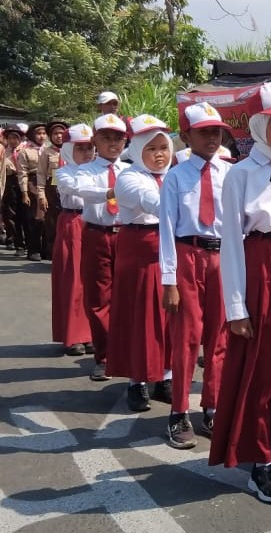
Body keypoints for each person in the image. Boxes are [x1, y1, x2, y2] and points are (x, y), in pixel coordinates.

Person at [211, 82, 271, 503]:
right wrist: (236, 306)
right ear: (257, 125)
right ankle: (261, 461)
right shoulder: (241, 174)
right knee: (261, 370)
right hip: (261, 270)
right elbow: (231, 241)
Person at [159, 101, 231, 450]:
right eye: (204, 132)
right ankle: (178, 411)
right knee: (186, 338)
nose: (212, 138)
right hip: (188, 254)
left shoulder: (231, 173)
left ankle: (213, 405)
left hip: (223, 257)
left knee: (220, 338)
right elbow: (166, 229)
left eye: (216, 132)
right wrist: (169, 280)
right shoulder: (176, 176)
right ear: (186, 136)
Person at [107, 115, 174, 411]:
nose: (159, 155)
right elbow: (154, 203)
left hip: (170, 247)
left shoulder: (175, 175)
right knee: (140, 315)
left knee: (170, 316)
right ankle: (137, 380)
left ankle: (166, 376)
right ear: (137, 150)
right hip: (140, 250)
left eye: (164, 148)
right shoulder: (129, 177)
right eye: (151, 148)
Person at [75, 114, 130, 381]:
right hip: (98, 235)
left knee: (130, 296)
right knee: (99, 298)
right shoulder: (85, 170)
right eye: (106, 137)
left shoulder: (131, 170)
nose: (113, 143)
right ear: (95, 140)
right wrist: (112, 192)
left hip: (128, 236)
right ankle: (104, 356)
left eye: (118, 138)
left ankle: (128, 352)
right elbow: (83, 191)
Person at [52, 124, 95, 356]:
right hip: (73, 223)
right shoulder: (63, 172)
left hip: (94, 224)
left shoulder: (99, 169)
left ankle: (92, 333)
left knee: (93, 279)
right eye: (80, 148)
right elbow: (80, 190)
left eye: (90, 148)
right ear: (69, 150)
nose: (87, 153)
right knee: (73, 278)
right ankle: (73, 335)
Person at [17, 122, 47, 261]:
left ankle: (46, 248)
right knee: (35, 218)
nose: (42, 136)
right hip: (32, 184)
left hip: (48, 183)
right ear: (31, 135)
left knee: (48, 218)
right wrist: (24, 192)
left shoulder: (49, 150)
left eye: (44, 133)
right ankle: (33, 249)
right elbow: (22, 173)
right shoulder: (25, 151)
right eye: (38, 133)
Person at [37, 120, 67, 260]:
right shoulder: (46, 152)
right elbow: (41, 174)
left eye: (61, 133)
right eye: (55, 133)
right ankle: (54, 254)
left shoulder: (72, 150)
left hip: (69, 188)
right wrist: (41, 195)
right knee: (52, 223)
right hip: (52, 188)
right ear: (50, 136)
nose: (59, 136)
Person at [2, 125, 28, 256]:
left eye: (15, 138)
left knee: (26, 214)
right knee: (12, 214)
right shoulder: (4, 152)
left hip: (25, 182)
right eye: (10, 138)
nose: (12, 141)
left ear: (20, 138)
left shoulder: (26, 149)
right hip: (10, 182)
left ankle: (31, 243)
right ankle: (18, 244)